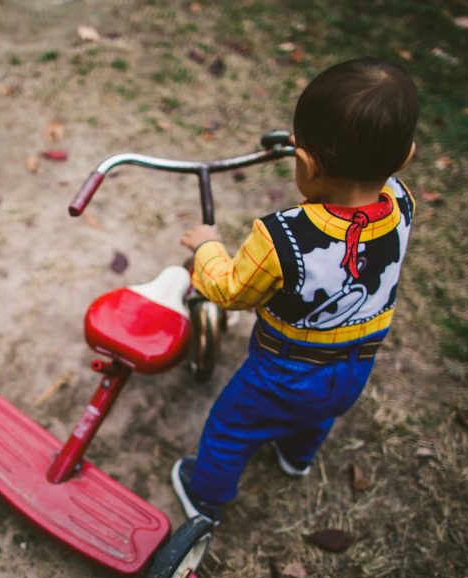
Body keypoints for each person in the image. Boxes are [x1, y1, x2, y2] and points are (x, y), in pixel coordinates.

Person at [173, 56, 419, 523]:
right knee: (321, 410)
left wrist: (207, 248)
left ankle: (204, 497)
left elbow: (230, 292)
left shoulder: (282, 237)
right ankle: (296, 456)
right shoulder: (401, 203)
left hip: (283, 373)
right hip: (356, 363)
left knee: (231, 427)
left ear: (304, 161)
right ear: (404, 156)